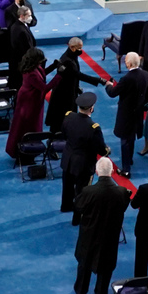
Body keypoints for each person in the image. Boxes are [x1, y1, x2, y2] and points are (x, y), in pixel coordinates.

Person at [73, 157, 131, 294]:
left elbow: (78, 207)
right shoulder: (122, 192)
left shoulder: (88, 191)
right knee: (106, 267)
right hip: (109, 236)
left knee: (84, 264)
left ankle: (81, 291)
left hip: (89, 234)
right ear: (112, 171)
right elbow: (123, 208)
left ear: (97, 172)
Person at [61, 93, 109, 223]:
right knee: (82, 191)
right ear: (91, 108)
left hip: (68, 158)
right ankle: (77, 217)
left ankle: (65, 206)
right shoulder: (93, 127)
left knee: (67, 185)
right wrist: (106, 151)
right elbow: (100, 148)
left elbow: (64, 135)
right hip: (83, 163)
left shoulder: (68, 117)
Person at [45, 38, 103, 133]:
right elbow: (78, 75)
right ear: (72, 47)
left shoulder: (71, 55)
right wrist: (99, 80)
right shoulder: (67, 60)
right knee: (61, 118)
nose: (81, 51)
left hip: (69, 91)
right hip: (63, 96)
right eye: (79, 48)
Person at [105, 53, 148, 176]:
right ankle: (129, 160)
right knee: (132, 136)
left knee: (125, 140)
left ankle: (125, 169)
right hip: (138, 112)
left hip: (126, 113)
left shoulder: (126, 79)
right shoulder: (145, 74)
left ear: (128, 63)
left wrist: (108, 86)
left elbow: (113, 93)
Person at [6, 47, 48, 158]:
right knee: (27, 125)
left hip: (31, 99)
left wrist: (53, 66)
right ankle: (25, 150)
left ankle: (29, 149)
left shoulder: (33, 68)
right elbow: (44, 87)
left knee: (26, 124)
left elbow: (42, 74)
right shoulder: (32, 73)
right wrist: (58, 76)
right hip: (29, 102)